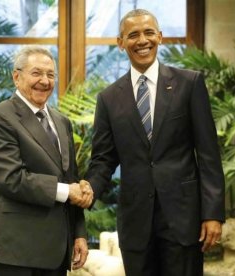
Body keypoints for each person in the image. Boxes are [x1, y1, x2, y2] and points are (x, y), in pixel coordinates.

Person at [85, 9, 225, 276]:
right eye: (133, 35)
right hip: (136, 223)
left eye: (149, 33)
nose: (142, 40)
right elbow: (103, 159)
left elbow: (208, 154)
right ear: (120, 42)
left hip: (184, 220)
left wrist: (213, 213)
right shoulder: (109, 98)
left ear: (160, 37)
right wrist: (88, 189)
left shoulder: (189, 84)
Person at [0, 45, 93, 276]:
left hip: (57, 251)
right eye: (37, 73)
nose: (45, 80)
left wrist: (79, 233)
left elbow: (70, 178)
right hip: (18, 251)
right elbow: (11, 179)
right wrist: (66, 192)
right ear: (16, 76)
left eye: (51, 75)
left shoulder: (62, 122)